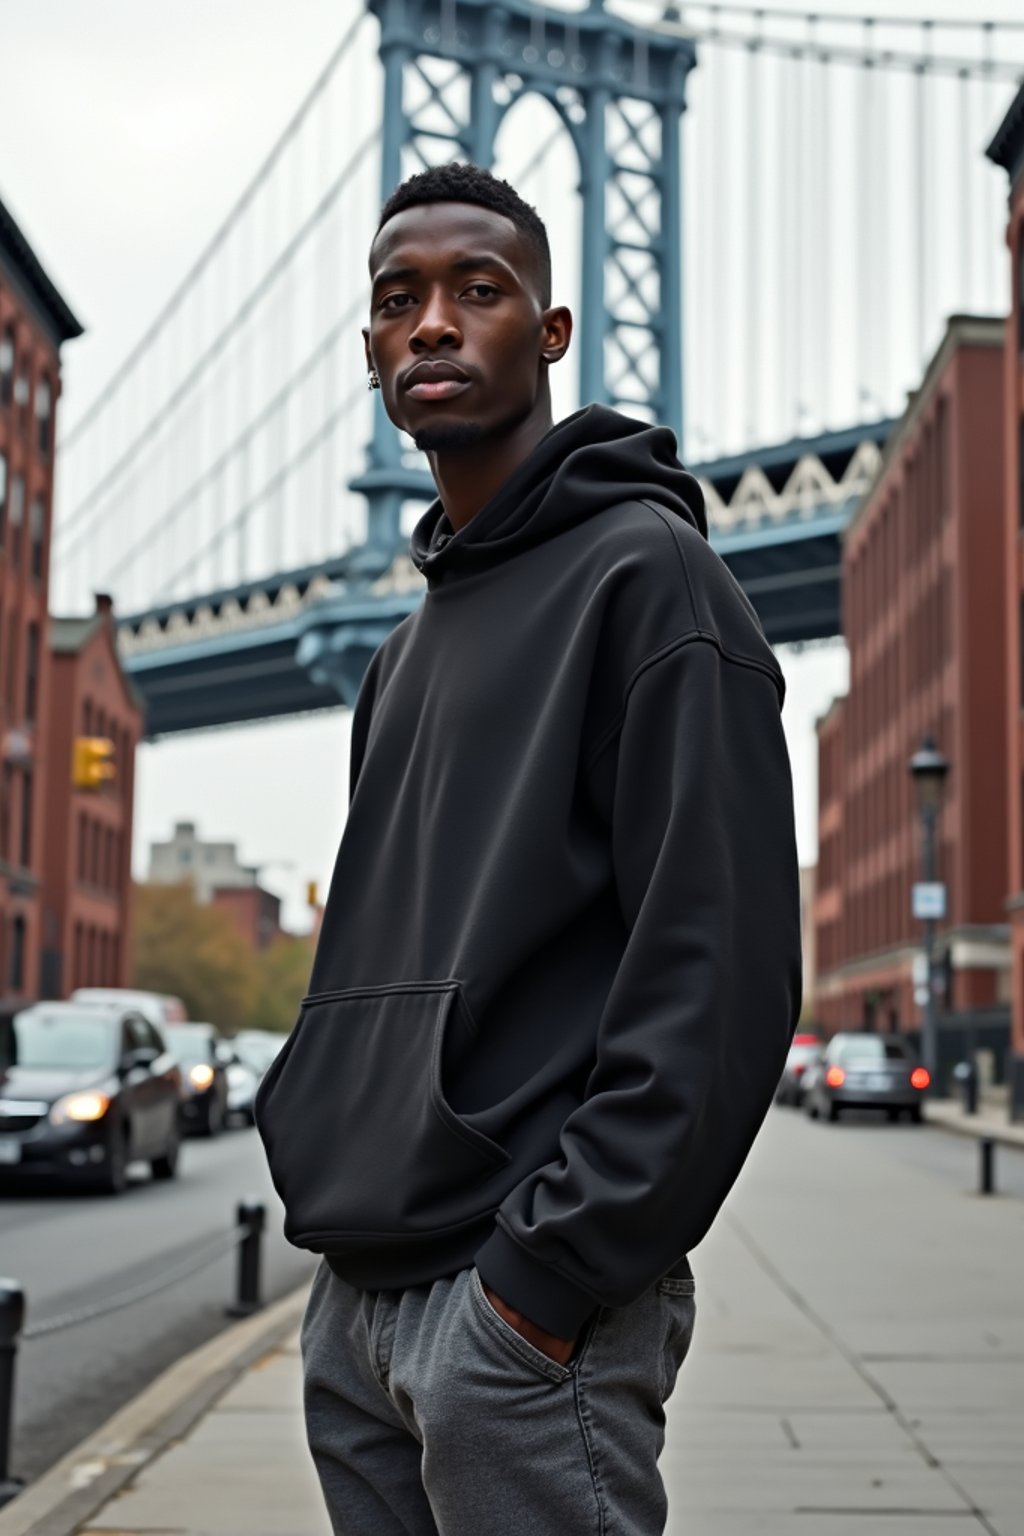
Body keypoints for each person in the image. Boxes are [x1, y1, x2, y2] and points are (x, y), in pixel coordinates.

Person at [256, 162, 801, 1536]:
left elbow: (720, 975)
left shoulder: (652, 582)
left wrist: (546, 1282)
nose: (433, 324)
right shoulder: (398, 655)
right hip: (358, 1309)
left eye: (477, 291)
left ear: (551, 334)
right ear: (373, 347)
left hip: (516, 1316)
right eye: (398, 301)